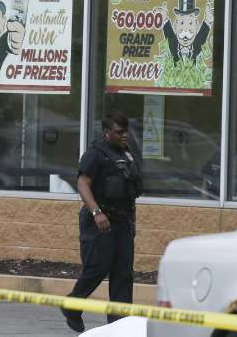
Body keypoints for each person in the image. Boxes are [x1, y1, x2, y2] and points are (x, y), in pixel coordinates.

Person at [63, 111, 143, 333]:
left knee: (123, 274)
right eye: (119, 132)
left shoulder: (127, 153)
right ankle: (72, 306)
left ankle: (120, 326)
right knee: (98, 267)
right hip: (99, 221)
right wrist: (97, 212)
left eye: (126, 131)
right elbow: (82, 184)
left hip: (122, 222)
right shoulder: (95, 154)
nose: (124, 135)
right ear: (107, 133)